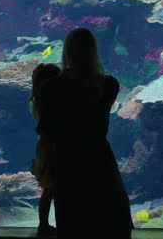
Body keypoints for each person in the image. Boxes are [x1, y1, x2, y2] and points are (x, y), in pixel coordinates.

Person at [36, 28, 133, 238]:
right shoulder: (109, 85)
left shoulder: (51, 87)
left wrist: (44, 164)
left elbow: (46, 132)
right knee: (111, 222)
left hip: (66, 162)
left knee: (73, 223)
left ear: (67, 51)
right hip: (99, 159)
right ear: (93, 51)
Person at [29, 63, 60, 237]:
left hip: (45, 148)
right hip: (50, 149)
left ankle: (44, 224)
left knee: (49, 189)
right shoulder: (48, 103)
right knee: (52, 188)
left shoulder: (38, 101)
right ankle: (44, 224)